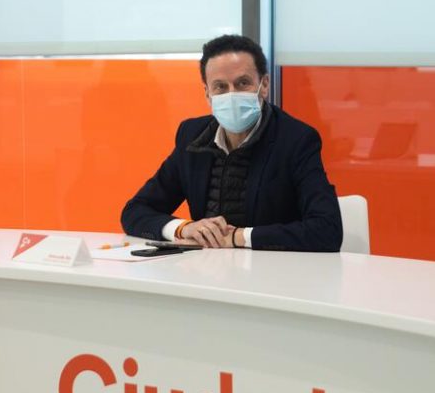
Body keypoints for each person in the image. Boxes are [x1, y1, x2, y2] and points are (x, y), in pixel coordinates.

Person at [121, 34, 342, 251]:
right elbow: (135, 211)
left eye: (243, 83)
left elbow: (326, 230)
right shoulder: (192, 135)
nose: (232, 94)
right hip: (206, 267)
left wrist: (238, 236)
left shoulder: (296, 139)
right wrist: (183, 229)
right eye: (220, 86)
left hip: (272, 269)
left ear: (264, 85)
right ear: (207, 93)